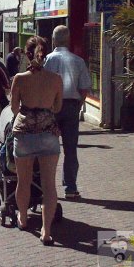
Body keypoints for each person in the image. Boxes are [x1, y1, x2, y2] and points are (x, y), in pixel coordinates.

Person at [11, 35, 63, 245]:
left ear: (27, 54)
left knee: (23, 181)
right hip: (48, 133)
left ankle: (23, 218)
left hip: (24, 134)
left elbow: (14, 108)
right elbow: (58, 108)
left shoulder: (20, 79)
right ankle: (46, 231)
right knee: (49, 185)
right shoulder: (55, 79)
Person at [44, 25, 92, 199]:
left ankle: (46, 186)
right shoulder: (78, 61)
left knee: (47, 148)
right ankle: (70, 187)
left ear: (54, 40)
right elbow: (85, 87)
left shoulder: (48, 59)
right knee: (70, 149)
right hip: (71, 106)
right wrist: (78, 105)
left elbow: (44, 85)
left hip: (50, 107)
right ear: (69, 39)